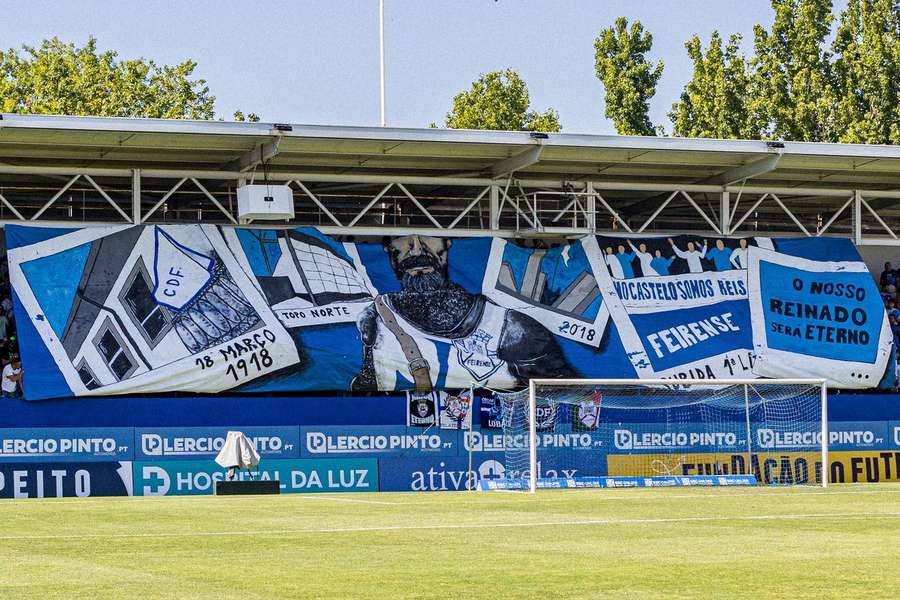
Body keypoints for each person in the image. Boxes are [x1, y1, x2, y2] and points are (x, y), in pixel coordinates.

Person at [351, 234, 576, 392]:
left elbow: (564, 393)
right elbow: (366, 384)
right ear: (388, 250)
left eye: (428, 237)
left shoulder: (510, 328)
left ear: (448, 243)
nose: (417, 250)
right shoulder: (375, 317)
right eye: (404, 240)